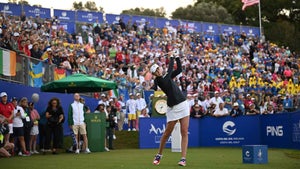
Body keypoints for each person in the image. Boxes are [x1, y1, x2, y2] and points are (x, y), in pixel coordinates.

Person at [150, 51, 190, 166]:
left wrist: (177, 57)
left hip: (183, 104)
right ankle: (159, 154)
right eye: (157, 70)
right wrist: (171, 57)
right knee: (167, 133)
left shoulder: (165, 76)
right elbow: (170, 70)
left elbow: (179, 70)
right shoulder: (159, 80)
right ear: (155, 73)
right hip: (172, 108)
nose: (160, 70)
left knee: (184, 131)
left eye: (159, 68)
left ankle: (183, 158)